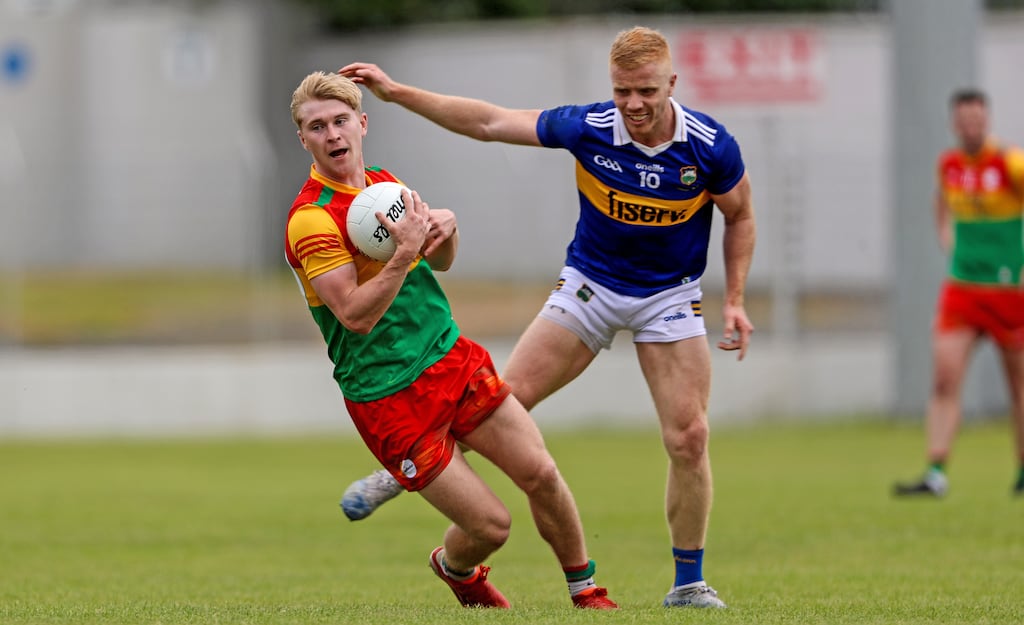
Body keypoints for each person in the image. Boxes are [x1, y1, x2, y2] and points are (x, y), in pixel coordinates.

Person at [338, 24, 756, 609]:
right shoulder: (589, 126)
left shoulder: (710, 146)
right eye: (622, 91)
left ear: (671, 85)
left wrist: (734, 298)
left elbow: (740, 216)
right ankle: (400, 473)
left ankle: (688, 584)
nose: (633, 105)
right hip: (591, 286)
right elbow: (488, 122)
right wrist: (396, 92)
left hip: (669, 295)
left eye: (646, 92)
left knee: (689, 437)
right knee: (501, 400)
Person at [285, 70, 618, 610]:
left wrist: (446, 233)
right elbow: (353, 316)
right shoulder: (311, 220)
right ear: (304, 138)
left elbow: (439, 263)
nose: (332, 134)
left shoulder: (387, 187)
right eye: (316, 126)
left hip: (451, 359)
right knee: (492, 526)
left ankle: (587, 594)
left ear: (362, 124)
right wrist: (401, 254)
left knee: (542, 472)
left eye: (340, 120)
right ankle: (456, 569)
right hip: (387, 395)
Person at [893, 88, 1024, 498]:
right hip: (962, 290)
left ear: (987, 121)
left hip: (1009, 292)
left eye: (978, 119)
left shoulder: (1010, 164)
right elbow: (941, 207)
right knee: (945, 380)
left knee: (1018, 388)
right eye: (964, 120)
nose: (971, 126)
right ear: (955, 123)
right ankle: (936, 472)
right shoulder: (948, 165)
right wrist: (947, 240)